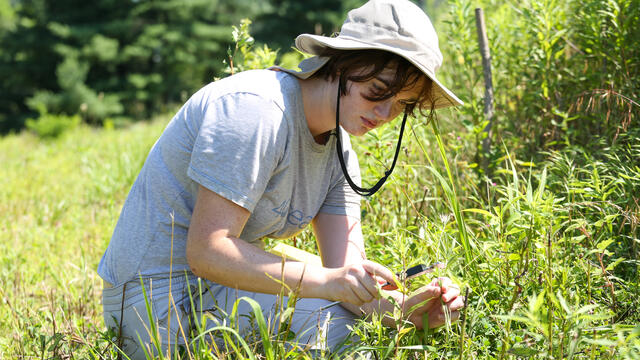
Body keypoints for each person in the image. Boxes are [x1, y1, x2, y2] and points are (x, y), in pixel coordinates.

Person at [98, 0, 466, 358]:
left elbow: (347, 278)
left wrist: (408, 311)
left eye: (403, 103)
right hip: (157, 301)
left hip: (224, 286)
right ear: (340, 65)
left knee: (359, 325)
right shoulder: (256, 110)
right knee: (343, 333)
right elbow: (207, 251)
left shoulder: (341, 153)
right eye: (378, 92)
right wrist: (329, 283)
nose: (386, 113)